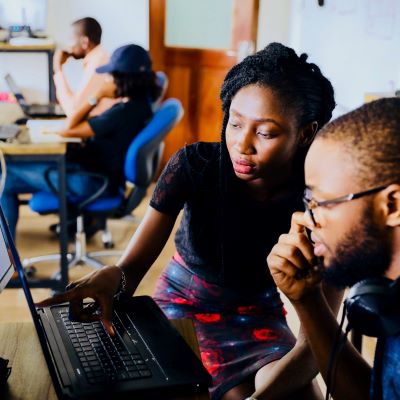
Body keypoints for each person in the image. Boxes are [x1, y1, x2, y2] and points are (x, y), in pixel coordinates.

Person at [38, 43, 338, 400]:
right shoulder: (195, 166)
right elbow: (130, 270)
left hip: (257, 318)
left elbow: (318, 344)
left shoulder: (323, 202)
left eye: (265, 133)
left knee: (303, 394)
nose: (241, 144)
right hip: (182, 306)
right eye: (235, 122)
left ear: (306, 132)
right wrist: (112, 277)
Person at [267, 97, 400, 400]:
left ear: (392, 205)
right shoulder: (391, 292)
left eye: (321, 202)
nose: (306, 220)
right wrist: (307, 300)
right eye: (307, 201)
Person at [2, 44, 160, 239]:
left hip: (90, 182)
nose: (106, 79)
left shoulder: (123, 113)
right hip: (96, 175)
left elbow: (68, 128)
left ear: (122, 78)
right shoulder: (141, 105)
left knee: (4, 178)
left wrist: (96, 96)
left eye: (110, 75)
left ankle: (9, 260)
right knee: (10, 167)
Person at [53, 17, 117, 117]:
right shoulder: (99, 57)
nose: (68, 46)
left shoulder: (98, 63)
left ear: (84, 42)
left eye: (71, 39)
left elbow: (73, 111)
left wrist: (57, 68)